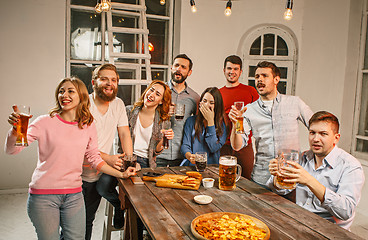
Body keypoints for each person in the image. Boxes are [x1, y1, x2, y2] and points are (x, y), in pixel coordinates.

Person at [5, 77, 136, 240]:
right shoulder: (44, 122)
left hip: (74, 195)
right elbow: (13, 150)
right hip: (43, 196)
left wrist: (122, 174)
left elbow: (95, 159)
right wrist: (15, 130)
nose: (64, 95)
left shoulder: (87, 125)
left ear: (81, 96)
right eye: (61, 91)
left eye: (70, 91)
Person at [267, 111, 365, 230]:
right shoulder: (302, 157)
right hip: (299, 223)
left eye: (323, 134)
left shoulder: (351, 166)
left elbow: (346, 211)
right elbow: (283, 190)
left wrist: (309, 181)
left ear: (336, 138)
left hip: (331, 231)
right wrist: (277, 176)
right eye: (312, 133)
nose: (315, 139)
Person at [229, 61, 313, 190]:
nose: (259, 80)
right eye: (257, 77)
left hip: (290, 178)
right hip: (261, 179)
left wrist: (308, 158)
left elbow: (316, 127)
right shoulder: (248, 110)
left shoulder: (295, 103)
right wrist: (236, 124)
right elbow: (237, 145)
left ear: (276, 79)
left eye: (264, 76)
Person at [81, 64, 133, 239]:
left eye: (113, 80)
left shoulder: (118, 104)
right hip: (78, 173)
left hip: (101, 170)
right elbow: (81, 144)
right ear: (94, 81)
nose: (109, 83)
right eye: (104, 79)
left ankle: (119, 207)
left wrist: (129, 159)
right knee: (77, 222)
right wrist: (108, 158)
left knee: (88, 219)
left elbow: (125, 133)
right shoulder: (83, 104)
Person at [157, 54, 200, 167]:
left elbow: (197, 126)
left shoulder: (195, 97)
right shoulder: (159, 91)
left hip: (181, 156)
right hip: (158, 154)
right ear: (171, 67)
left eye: (183, 67)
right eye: (176, 65)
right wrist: (163, 112)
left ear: (189, 72)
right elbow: (146, 116)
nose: (178, 69)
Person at [219, 55, 259, 179]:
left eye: (236, 69)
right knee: (224, 179)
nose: (232, 72)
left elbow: (259, 114)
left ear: (241, 71)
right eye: (229, 68)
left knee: (247, 180)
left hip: (244, 145)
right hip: (224, 145)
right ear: (224, 70)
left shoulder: (250, 91)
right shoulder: (218, 93)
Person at [124, 80, 174, 169]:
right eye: (151, 90)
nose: (151, 95)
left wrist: (164, 137)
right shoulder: (128, 112)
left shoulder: (164, 122)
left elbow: (156, 151)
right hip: (127, 158)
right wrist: (131, 161)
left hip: (146, 162)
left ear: (161, 101)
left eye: (157, 94)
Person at [181, 87, 227, 165]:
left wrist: (210, 122)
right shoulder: (191, 121)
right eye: (204, 101)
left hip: (212, 168)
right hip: (192, 166)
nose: (206, 105)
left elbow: (213, 147)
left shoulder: (222, 125)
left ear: (217, 106)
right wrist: (189, 156)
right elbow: (185, 145)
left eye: (211, 103)